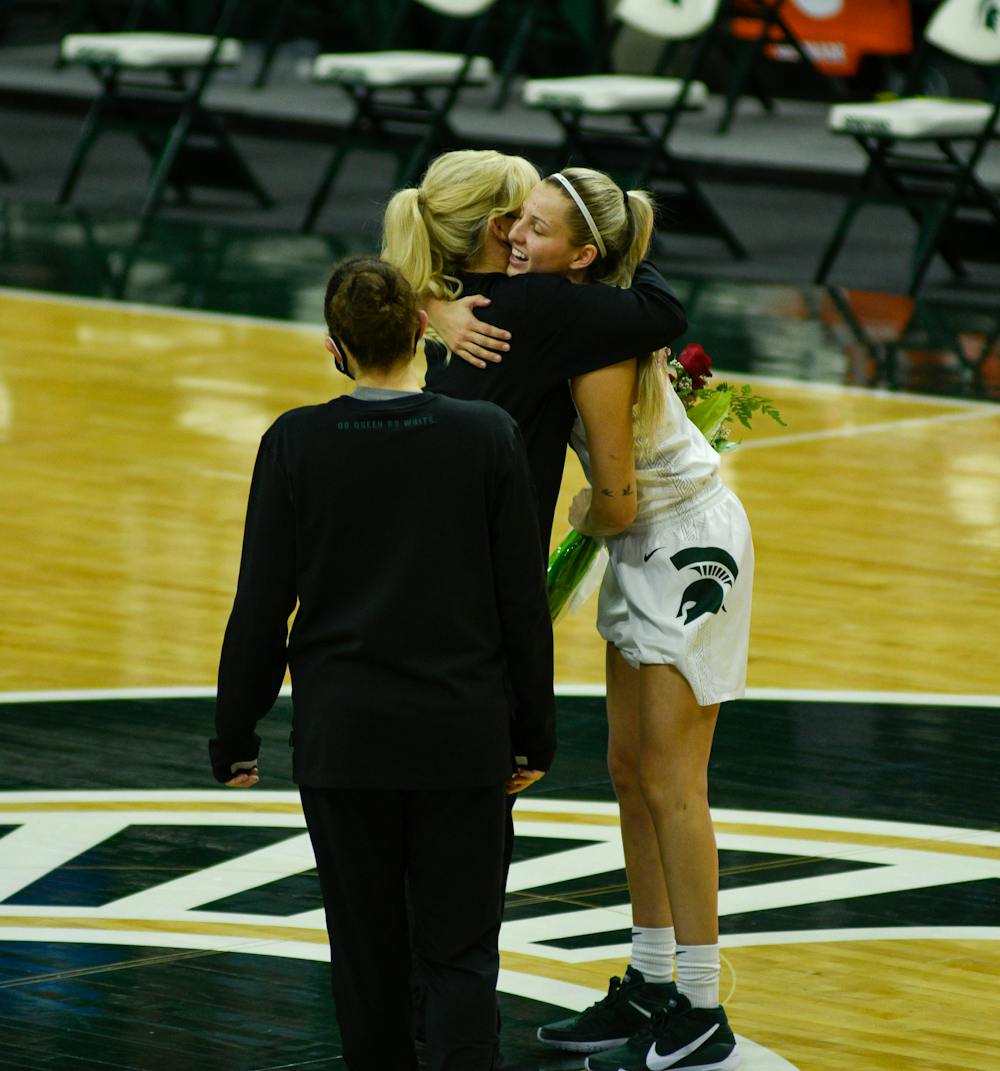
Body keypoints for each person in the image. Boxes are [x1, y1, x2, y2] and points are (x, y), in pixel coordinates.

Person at [208, 256, 556, 1071]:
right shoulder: (487, 436)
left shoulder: (295, 441)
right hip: (461, 738)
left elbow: (261, 604)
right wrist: (533, 735)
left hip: (345, 742)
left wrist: (236, 730)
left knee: (365, 961)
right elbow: (522, 607)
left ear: (335, 348)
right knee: (461, 955)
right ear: (421, 333)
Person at [507, 169, 749, 1071]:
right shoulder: (576, 310)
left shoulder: (598, 343)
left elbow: (614, 497)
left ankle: (701, 1000)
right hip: (643, 539)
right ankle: (651, 975)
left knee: (674, 779)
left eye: (533, 227)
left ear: (582, 255)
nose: (513, 237)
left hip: (684, 542)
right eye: (516, 221)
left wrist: (570, 521)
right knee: (626, 767)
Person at [381, 148, 688, 550]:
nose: (521, 231)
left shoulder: (441, 289)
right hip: (491, 550)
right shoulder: (537, 303)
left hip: (419, 528)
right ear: (499, 228)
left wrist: (431, 305)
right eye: (522, 215)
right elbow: (666, 313)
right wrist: (623, 242)